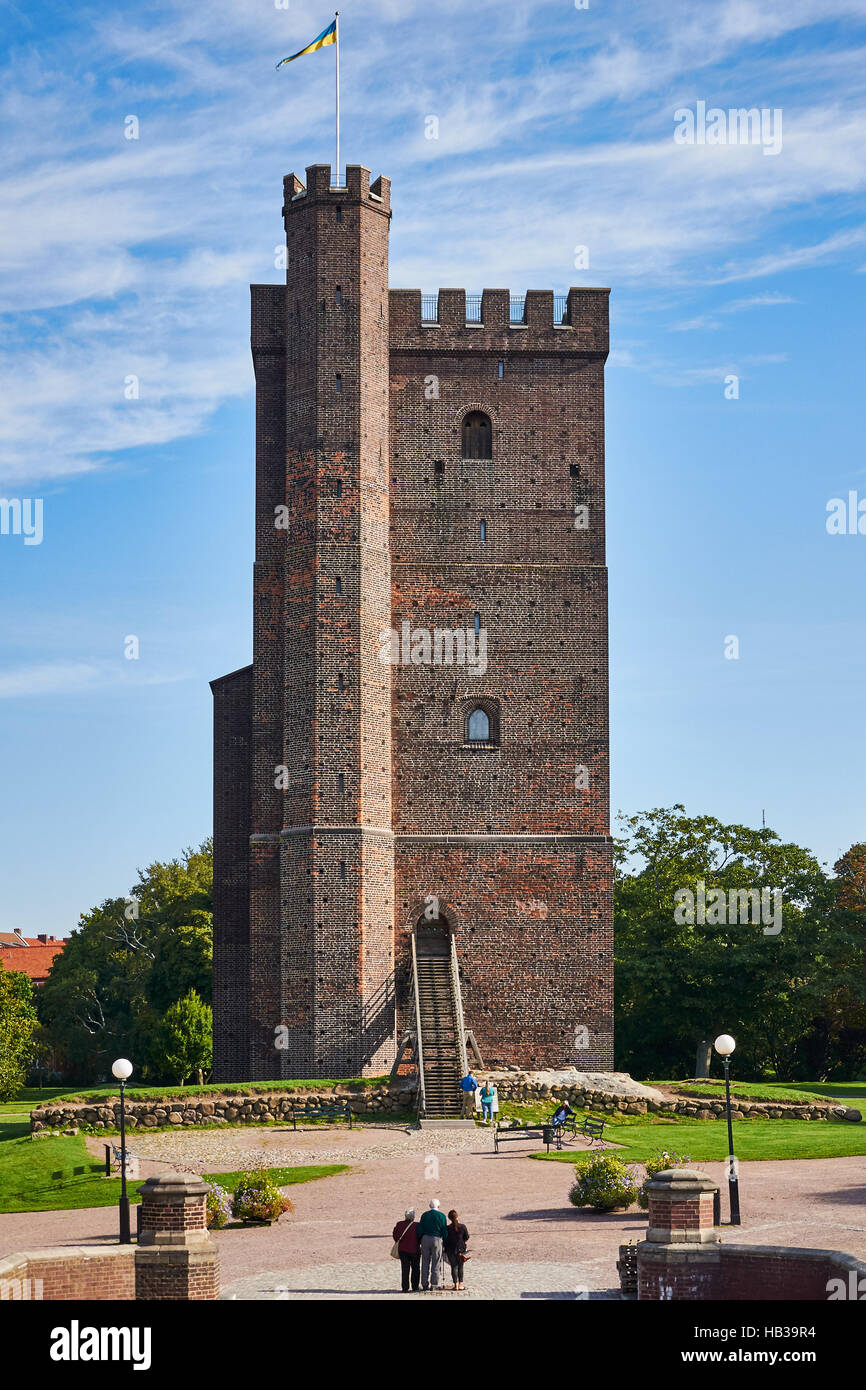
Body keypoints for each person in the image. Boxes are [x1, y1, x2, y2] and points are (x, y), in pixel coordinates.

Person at [417, 1198, 448, 1290]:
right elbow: (444, 1231)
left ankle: (424, 1284)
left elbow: (420, 1229)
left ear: (430, 1206)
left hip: (425, 1239)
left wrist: (420, 1240)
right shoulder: (442, 1216)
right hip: (437, 1239)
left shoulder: (424, 1215)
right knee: (436, 1262)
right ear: (438, 1206)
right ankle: (434, 1284)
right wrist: (444, 1242)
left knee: (425, 1262)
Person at [392, 1207, 420, 1293]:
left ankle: (405, 1287)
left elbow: (395, 1235)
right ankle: (415, 1286)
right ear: (413, 1217)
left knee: (405, 1269)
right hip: (415, 1249)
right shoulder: (417, 1225)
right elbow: (420, 1236)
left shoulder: (399, 1224)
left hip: (403, 1250)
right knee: (415, 1268)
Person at [444, 1209, 470, 1290]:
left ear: (449, 1218)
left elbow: (445, 1239)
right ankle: (461, 1284)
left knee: (454, 1266)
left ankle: (455, 1285)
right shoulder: (462, 1226)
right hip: (461, 1249)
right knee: (460, 1267)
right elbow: (467, 1237)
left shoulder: (447, 1228)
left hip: (450, 1250)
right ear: (457, 1216)